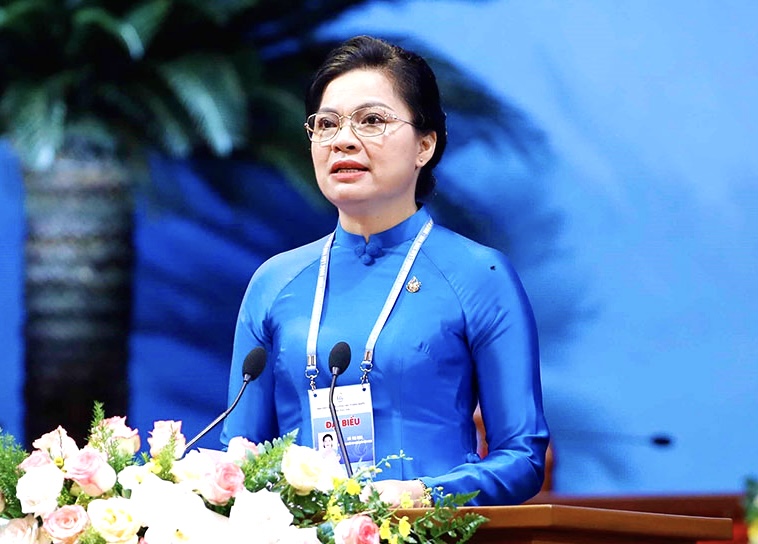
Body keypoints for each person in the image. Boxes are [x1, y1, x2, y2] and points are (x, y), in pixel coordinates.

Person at [221, 35, 549, 506]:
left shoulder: (480, 274)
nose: (343, 140)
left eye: (371, 120)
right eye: (326, 124)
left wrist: (424, 495)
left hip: (429, 530)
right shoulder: (274, 282)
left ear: (425, 145)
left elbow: (522, 458)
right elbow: (237, 457)